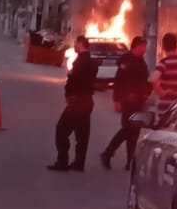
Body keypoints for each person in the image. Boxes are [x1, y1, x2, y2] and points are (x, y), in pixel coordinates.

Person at [49, 35, 99, 172]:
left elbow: (74, 80)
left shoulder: (81, 61)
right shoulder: (92, 62)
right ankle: (79, 163)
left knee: (61, 130)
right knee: (82, 134)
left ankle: (62, 162)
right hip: (88, 101)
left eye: (76, 43)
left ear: (80, 44)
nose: (74, 46)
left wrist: (69, 95)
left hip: (77, 102)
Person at [100, 36, 151, 170]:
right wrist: (117, 100)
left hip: (139, 101)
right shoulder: (127, 60)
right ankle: (108, 153)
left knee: (134, 132)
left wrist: (146, 93)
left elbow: (144, 80)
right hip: (127, 100)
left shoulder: (141, 61)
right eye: (143, 47)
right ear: (136, 46)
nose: (145, 50)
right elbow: (119, 81)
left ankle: (130, 161)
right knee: (128, 129)